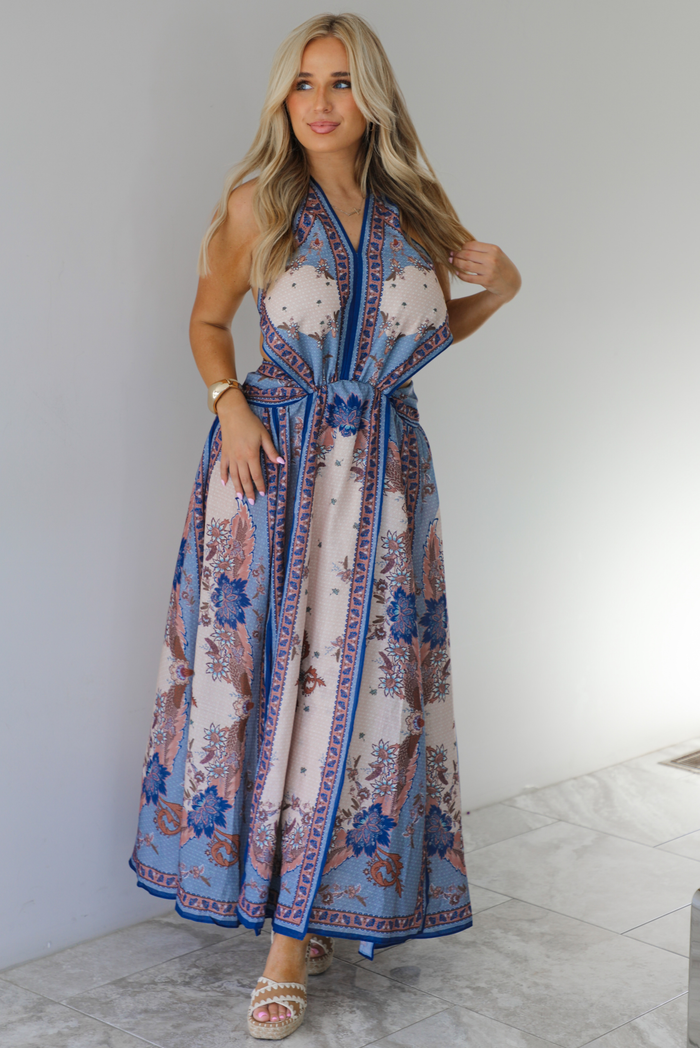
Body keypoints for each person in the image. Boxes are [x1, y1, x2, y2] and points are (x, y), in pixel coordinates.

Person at [129, 11, 520, 1040]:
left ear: (371, 97)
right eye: (302, 82)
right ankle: (283, 941)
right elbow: (207, 320)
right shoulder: (261, 201)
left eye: (340, 82)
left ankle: (325, 910)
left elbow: (431, 325)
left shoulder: (412, 207)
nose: (317, 101)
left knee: (367, 698)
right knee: (270, 685)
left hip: (385, 481)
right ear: (282, 98)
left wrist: (502, 289)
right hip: (271, 476)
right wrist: (231, 409)